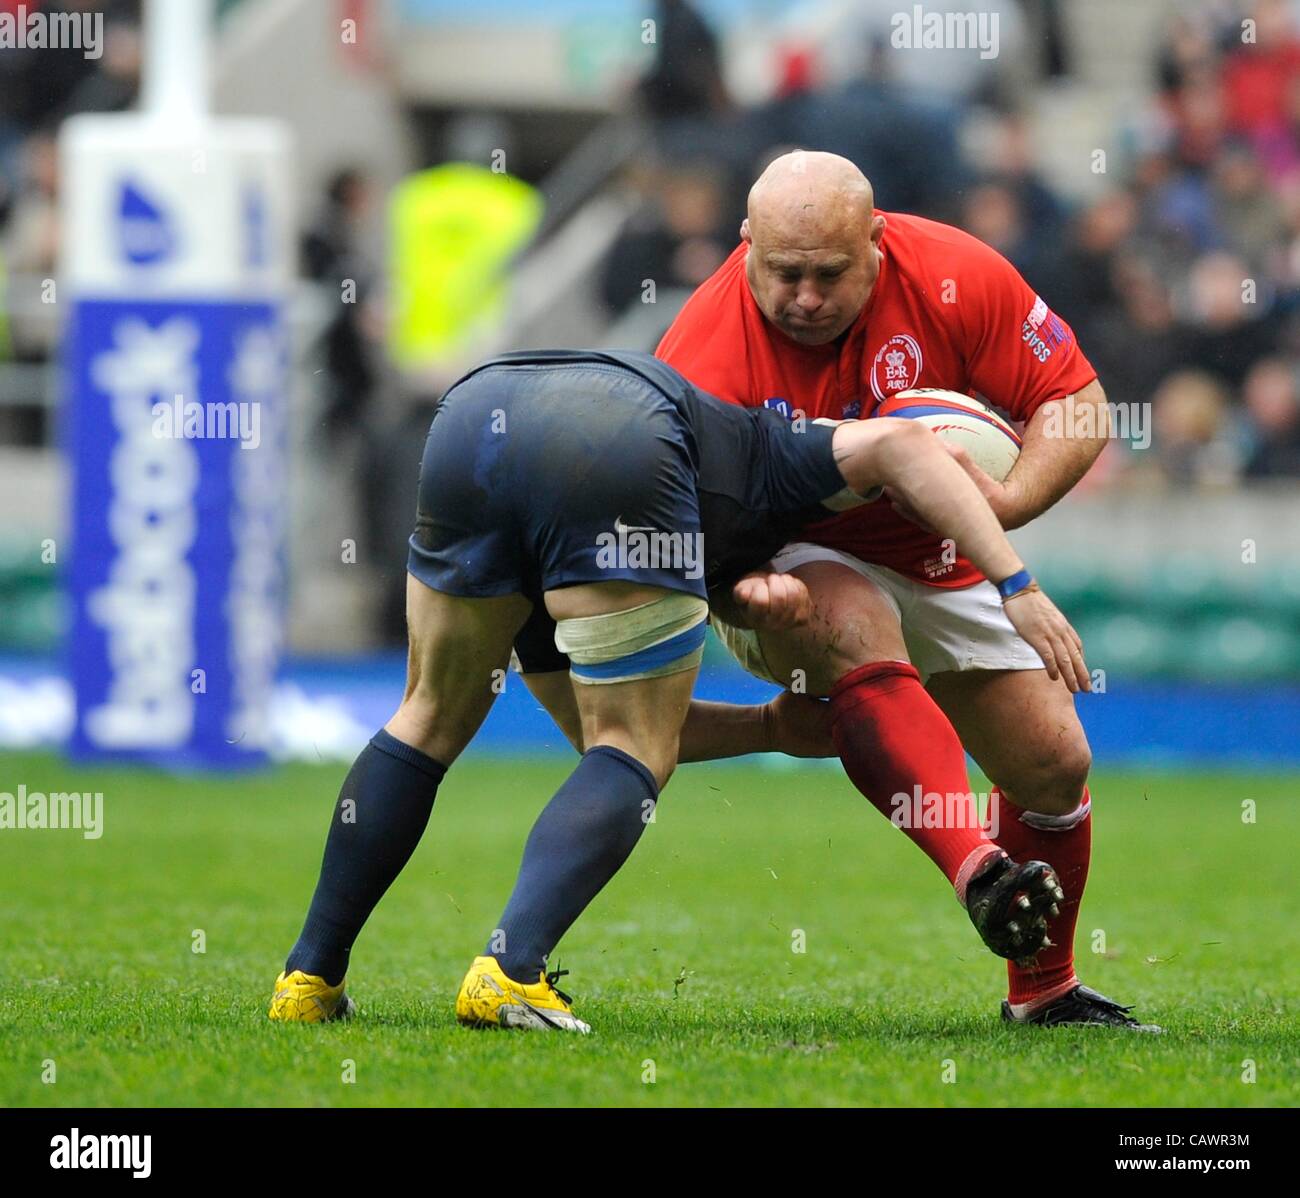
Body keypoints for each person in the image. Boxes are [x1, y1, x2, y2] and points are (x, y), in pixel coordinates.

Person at [269, 348, 1084, 1031]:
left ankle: (308, 979)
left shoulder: (708, 506)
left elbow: (587, 735)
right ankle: (510, 970)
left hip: (475, 412)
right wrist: (1016, 584)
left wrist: (769, 726)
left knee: (429, 716)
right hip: (617, 435)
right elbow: (905, 448)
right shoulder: (785, 450)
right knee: (635, 744)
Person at [657, 150, 1161, 1031]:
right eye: (782, 273)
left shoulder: (955, 274)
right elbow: (683, 546)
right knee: (851, 617)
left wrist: (1005, 502)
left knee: (1053, 763)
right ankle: (978, 869)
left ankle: (1042, 995)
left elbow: (1076, 402)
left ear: (878, 243)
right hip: (783, 562)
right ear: (744, 243)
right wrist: (741, 599)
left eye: (829, 273)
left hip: (941, 545)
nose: (804, 297)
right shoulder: (699, 357)